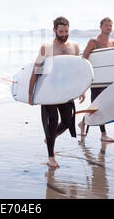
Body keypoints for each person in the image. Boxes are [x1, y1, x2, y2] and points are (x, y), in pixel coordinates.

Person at [28, 16, 85, 168]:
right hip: (50, 90)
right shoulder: (46, 47)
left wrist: (82, 88)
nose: (64, 34)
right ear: (54, 30)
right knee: (51, 123)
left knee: (67, 122)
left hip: (66, 90)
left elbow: (77, 70)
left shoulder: (75, 46)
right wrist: (30, 93)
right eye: (61, 31)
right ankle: (51, 156)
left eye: (66, 31)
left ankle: (50, 138)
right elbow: (37, 70)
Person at [78, 17, 114, 142]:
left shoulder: (113, 44)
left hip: (107, 81)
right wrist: (84, 84)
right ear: (100, 27)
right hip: (96, 81)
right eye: (106, 25)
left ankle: (83, 122)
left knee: (98, 106)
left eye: (110, 25)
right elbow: (84, 61)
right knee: (98, 106)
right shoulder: (93, 42)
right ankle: (103, 134)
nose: (108, 28)